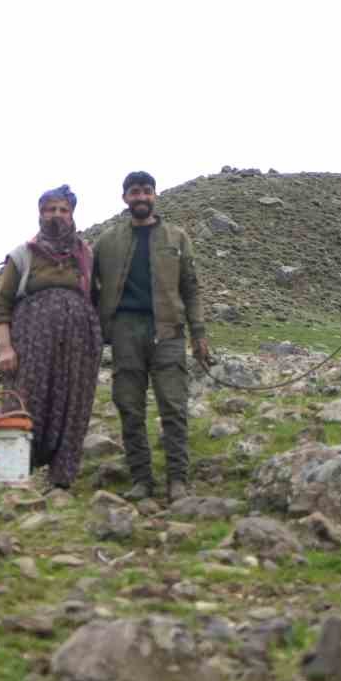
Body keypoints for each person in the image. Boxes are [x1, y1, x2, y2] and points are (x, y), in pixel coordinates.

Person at [92, 170, 211, 502]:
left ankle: (178, 479)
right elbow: (89, 286)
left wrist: (199, 333)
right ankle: (142, 479)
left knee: (173, 406)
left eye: (146, 191)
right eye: (134, 192)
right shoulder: (106, 242)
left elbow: (191, 289)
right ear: (125, 198)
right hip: (125, 331)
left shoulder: (177, 238)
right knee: (129, 406)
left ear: (155, 195)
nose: (140, 197)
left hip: (169, 332)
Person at [0, 185, 102, 490]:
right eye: (50, 209)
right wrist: (5, 348)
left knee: (74, 403)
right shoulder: (22, 254)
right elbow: (2, 305)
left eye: (63, 210)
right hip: (32, 341)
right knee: (27, 399)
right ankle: (16, 471)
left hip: (79, 343)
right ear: (40, 214)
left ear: (72, 214)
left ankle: (61, 477)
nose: (56, 215)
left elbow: (94, 296)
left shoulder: (86, 254)